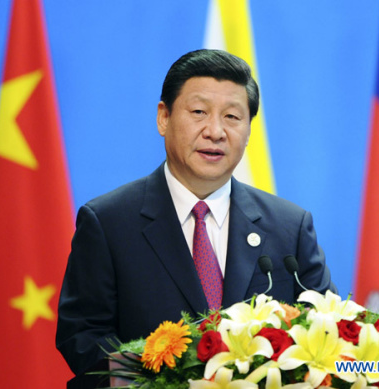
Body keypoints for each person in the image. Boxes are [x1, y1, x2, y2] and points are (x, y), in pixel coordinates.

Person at [56, 49, 336, 388]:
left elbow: (327, 329)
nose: (215, 131)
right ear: (164, 118)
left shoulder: (289, 226)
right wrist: (162, 382)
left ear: (248, 130)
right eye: (199, 112)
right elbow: (83, 334)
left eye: (232, 117)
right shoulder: (109, 222)